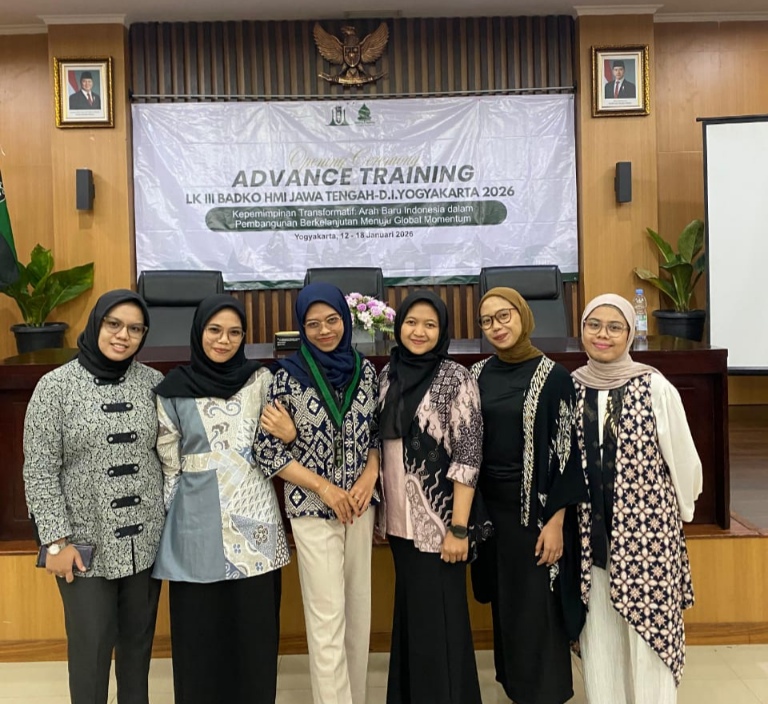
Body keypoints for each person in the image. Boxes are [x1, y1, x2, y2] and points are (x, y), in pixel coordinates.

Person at [23, 289, 164, 704]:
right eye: (113, 324)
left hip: (144, 543)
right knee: (91, 654)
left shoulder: (153, 383)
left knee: (137, 652)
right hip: (84, 547)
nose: (123, 335)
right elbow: (39, 470)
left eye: (135, 329)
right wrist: (55, 543)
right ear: (96, 323)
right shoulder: (55, 388)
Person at [152, 294, 288, 704]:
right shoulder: (172, 390)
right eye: (214, 330)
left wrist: (290, 434)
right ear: (199, 332)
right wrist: (171, 522)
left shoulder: (261, 381)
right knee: (199, 634)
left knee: (254, 631)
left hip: (254, 517)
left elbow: (279, 440)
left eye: (234, 332)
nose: (224, 340)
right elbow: (169, 463)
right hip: (195, 523)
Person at [572, 294, 703, 704]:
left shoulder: (654, 386)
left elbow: (682, 457)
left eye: (615, 327)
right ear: (582, 330)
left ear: (630, 333)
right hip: (589, 535)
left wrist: (678, 515)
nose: (603, 335)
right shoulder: (571, 386)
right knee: (600, 631)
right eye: (594, 325)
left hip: (648, 535)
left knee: (649, 634)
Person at [255, 282, 379, 704]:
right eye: (313, 324)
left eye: (332, 321)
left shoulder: (366, 372)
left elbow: (376, 435)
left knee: (358, 614)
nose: (324, 331)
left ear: (345, 321)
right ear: (301, 328)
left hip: (359, 506)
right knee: (327, 621)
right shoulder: (286, 377)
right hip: (312, 508)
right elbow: (268, 452)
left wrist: (369, 477)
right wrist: (325, 488)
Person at [469, 287, 587, 704]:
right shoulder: (477, 374)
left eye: (504, 316)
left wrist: (556, 522)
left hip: (536, 512)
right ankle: (516, 689)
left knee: (538, 605)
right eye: (487, 320)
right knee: (506, 601)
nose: (496, 326)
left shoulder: (554, 377)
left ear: (522, 316)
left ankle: (547, 692)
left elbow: (568, 455)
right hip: (490, 511)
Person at [378, 290, 484, 704]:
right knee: (412, 617)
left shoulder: (456, 378)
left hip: (440, 526)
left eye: (429, 324)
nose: (418, 332)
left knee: (442, 623)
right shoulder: (388, 375)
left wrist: (459, 528)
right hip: (400, 524)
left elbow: (468, 456)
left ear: (442, 330)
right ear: (398, 326)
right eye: (411, 322)